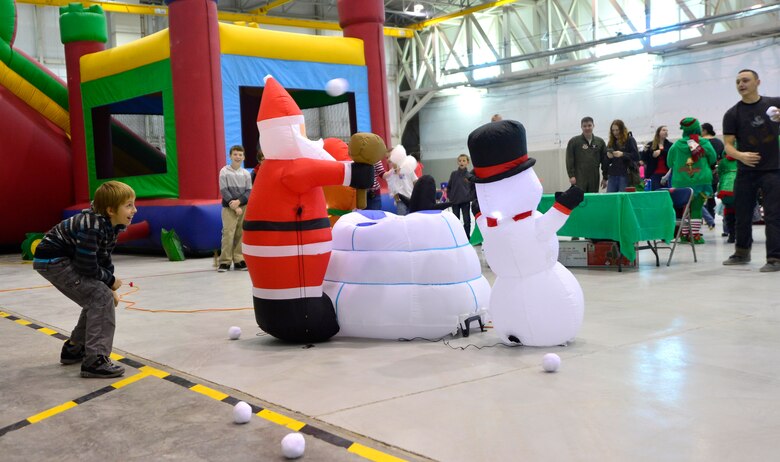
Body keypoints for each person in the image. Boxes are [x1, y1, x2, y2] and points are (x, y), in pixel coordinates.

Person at [32, 181, 136, 378]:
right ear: (111, 210)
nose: (135, 210)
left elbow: (103, 258)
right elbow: (86, 266)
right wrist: (110, 281)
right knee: (99, 297)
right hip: (53, 261)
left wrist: (109, 285)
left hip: (60, 259)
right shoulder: (93, 227)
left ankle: (74, 348)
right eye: (129, 205)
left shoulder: (110, 225)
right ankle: (95, 360)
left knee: (98, 296)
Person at [721, 69, 780, 271]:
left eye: (745, 80)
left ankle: (775, 258)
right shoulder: (732, 114)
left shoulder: (775, 103)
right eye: (737, 81)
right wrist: (741, 156)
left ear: (758, 82)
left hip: (774, 169)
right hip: (746, 171)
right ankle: (741, 252)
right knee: (742, 213)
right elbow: (727, 145)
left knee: (773, 214)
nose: (741, 84)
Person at [664, 117, 718, 243]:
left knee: (685, 209)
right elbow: (713, 158)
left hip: (681, 181)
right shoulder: (703, 143)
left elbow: (669, 163)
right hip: (700, 180)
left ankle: (684, 235)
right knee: (696, 208)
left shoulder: (676, 145)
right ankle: (695, 236)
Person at [218, 145, 252, 272]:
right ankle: (225, 261)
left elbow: (249, 191)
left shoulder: (246, 174)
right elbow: (224, 189)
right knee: (228, 233)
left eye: (240, 155)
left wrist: (239, 202)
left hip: (243, 207)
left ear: (243, 157)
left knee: (241, 233)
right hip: (228, 208)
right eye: (235, 154)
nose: (238, 157)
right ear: (230, 156)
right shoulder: (224, 171)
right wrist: (233, 204)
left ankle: (239, 260)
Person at [566, 116, 608, 193]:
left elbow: (605, 161)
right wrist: (571, 176)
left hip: (594, 176)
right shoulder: (574, 141)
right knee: (579, 199)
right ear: (581, 127)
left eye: (589, 125)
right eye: (584, 126)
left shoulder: (600, 142)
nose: (587, 128)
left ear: (593, 126)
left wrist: (605, 177)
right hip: (579, 176)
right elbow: (569, 159)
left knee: (593, 198)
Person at [603, 119, 640, 192]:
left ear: (622, 129)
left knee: (622, 199)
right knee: (610, 199)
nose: (615, 132)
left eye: (617, 130)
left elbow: (636, 156)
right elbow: (606, 161)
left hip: (625, 175)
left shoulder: (630, 140)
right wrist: (608, 157)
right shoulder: (611, 142)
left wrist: (623, 154)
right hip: (613, 175)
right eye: (613, 130)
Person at [445, 153, 476, 238]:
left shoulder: (470, 175)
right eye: (460, 161)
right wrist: (450, 196)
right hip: (455, 201)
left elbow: (473, 188)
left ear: (467, 162)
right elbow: (449, 187)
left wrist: (470, 197)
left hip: (465, 202)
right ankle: (458, 238)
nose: (461, 162)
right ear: (458, 162)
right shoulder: (454, 174)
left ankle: (467, 237)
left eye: (463, 160)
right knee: (456, 220)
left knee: (467, 220)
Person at [383, 151, 417, 216]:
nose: (388, 159)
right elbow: (392, 187)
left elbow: (415, 181)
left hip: (411, 198)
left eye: (389, 157)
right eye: (387, 158)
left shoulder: (408, 168)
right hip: (401, 202)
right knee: (402, 219)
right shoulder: (390, 173)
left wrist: (417, 196)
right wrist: (396, 198)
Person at [701, 123, 724, 218]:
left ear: (705, 131)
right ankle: (711, 216)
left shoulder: (700, 142)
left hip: (701, 172)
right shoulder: (719, 142)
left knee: (702, 197)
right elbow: (722, 158)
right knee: (710, 196)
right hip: (715, 172)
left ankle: (707, 217)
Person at [641, 125, 672, 190]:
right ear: (658, 132)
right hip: (654, 174)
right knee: (655, 192)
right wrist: (646, 152)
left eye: (666, 130)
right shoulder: (650, 144)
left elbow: (671, 155)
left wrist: (661, 151)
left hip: (666, 174)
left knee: (667, 193)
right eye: (663, 130)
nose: (666, 131)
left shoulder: (670, 145)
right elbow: (644, 159)